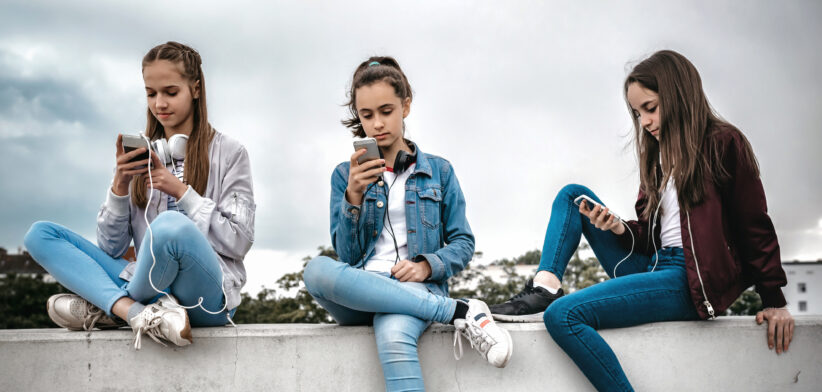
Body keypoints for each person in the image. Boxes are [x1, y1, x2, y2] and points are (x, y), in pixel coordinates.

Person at [489, 50, 792, 391]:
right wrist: (618, 227)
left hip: (687, 281)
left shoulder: (722, 143)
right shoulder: (660, 157)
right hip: (654, 266)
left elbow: (754, 224)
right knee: (573, 196)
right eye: (638, 113)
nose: (645, 122)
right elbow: (651, 237)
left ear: (679, 96)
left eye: (650, 108)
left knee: (564, 316)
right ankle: (545, 287)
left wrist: (773, 300)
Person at [23, 41, 255, 350]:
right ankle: (132, 312)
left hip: (205, 299)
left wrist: (181, 192)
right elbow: (111, 248)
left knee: (170, 226)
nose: (160, 103)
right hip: (145, 290)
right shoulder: (143, 155)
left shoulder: (230, 153)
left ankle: (109, 305)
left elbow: (240, 240)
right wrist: (119, 186)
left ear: (196, 89)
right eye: (151, 93)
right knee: (40, 234)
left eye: (171, 92)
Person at [302, 56, 512, 391]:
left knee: (393, 336)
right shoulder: (345, 175)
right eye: (367, 115)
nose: (377, 124)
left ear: (406, 106)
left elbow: (463, 242)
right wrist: (354, 195)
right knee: (315, 271)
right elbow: (347, 255)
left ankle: (442, 307)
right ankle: (457, 310)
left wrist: (426, 267)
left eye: (386, 111)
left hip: (416, 289)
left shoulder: (439, 172)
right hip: (362, 291)